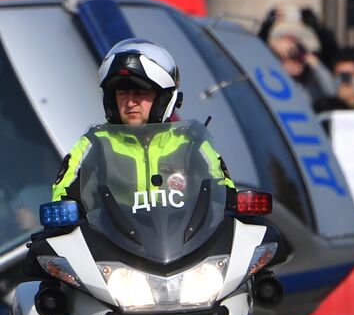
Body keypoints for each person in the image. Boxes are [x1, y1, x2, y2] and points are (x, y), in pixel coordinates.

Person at [51, 38, 235, 202]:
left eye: (140, 93)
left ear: (162, 98)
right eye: (122, 93)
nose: (130, 102)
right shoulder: (95, 144)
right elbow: (62, 198)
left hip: (188, 240)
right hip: (112, 241)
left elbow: (225, 196)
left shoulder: (191, 144)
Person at [313, 46, 354, 114]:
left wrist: (353, 102)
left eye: (349, 75)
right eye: (339, 75)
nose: (343, 80)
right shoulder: (322, 105)